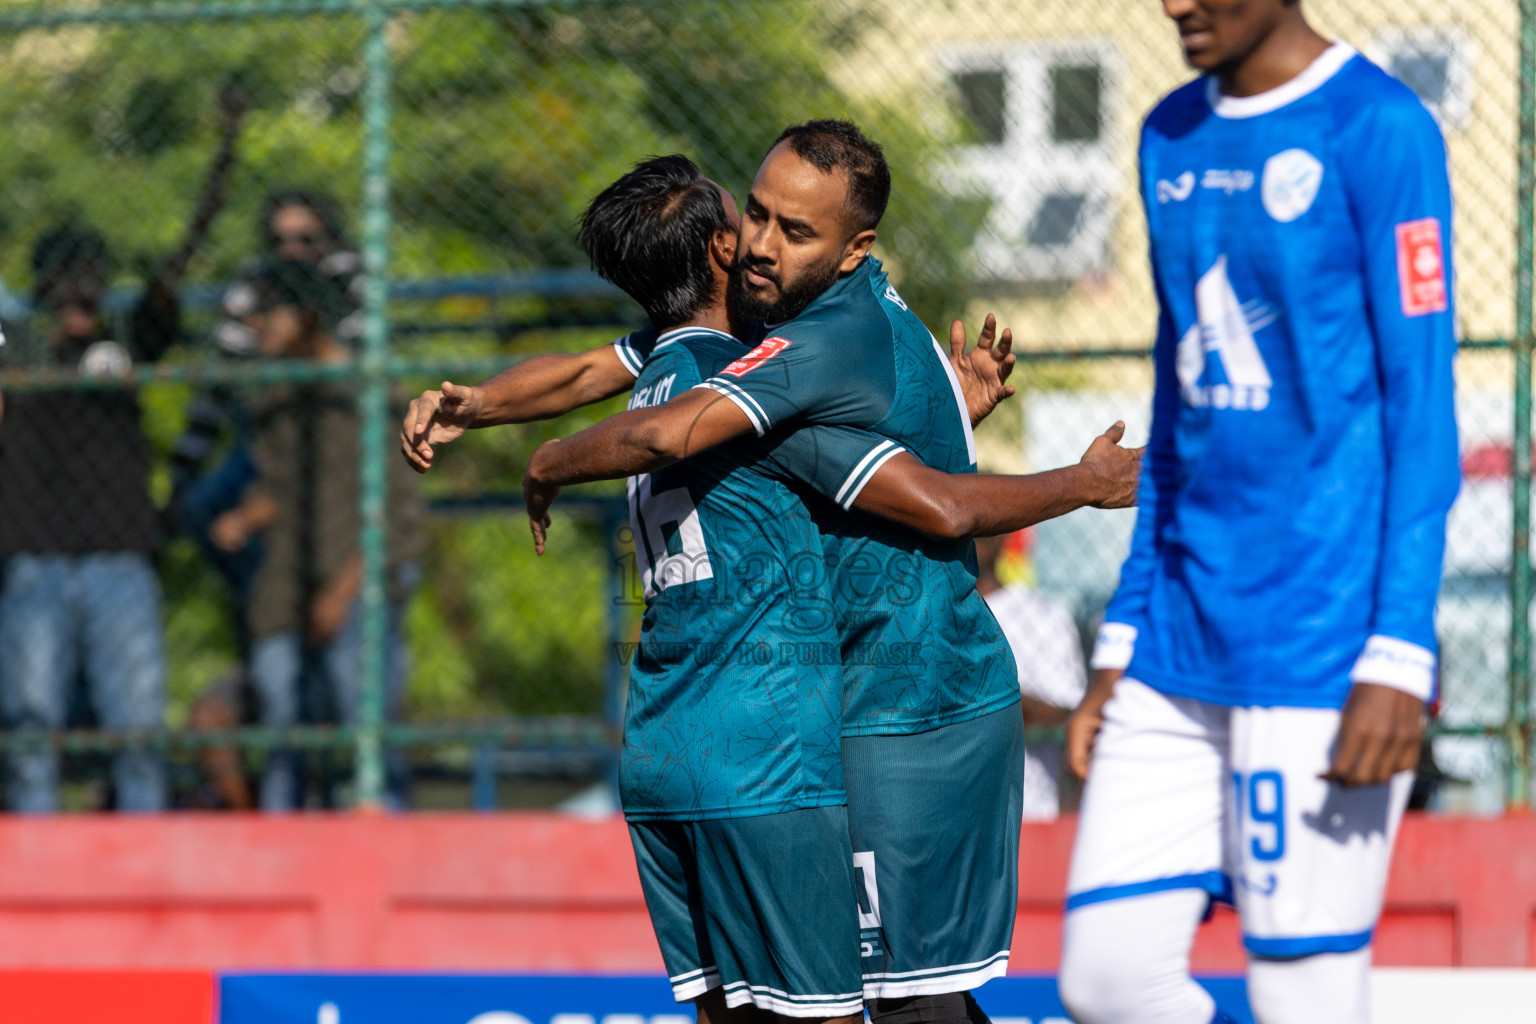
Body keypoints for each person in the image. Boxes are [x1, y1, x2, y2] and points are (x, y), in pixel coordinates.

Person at [520, 121, 1140, 1024]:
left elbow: (943, 507)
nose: (763, 247)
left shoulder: (803, 350)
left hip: (913, 703)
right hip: (821, 710)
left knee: (902, 1008)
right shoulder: (767, 336)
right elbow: (607, 365)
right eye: (759, 216)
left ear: (856, 250)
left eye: (795, 232)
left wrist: (1084, 483)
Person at [1055, 3, 1459, 1023]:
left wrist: (1400, 650)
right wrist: (1121, 633)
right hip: (1175, 648)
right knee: (1105, 982)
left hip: (1323, 647)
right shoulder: (1167, 133)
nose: (1176, 1)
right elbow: (1175, 406)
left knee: (1302, 996)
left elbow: (1423, 412)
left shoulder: (1380, 127)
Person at [0, 88, 245, 813]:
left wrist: (225, 152)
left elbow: (182, 257)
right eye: (65, 281)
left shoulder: (125, 340)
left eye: (91, 280)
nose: (80, 294)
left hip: (118, 558)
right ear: (42, 290)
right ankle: (35, 873)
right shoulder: (18, 344)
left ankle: (146, 867)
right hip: (33, 558)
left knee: (136, 728)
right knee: (30, 729)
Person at [213, 259, 422, 811]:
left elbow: (394, 515)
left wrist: (341, 592)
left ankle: (383, 849)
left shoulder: (368, 392)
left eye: (268, 316)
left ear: (304, 317)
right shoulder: (277, 397)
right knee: (281, 718)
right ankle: (284, 853)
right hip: (288, 584)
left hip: (361, 579)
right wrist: (246, 517)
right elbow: (276, 490)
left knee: (364, 726)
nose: (257, 329)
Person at [975, 531, 1086, 820]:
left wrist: (994, 693)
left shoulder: (1042, 614)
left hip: (1027, 809)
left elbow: (1070, 717)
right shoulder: (921, 616)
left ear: (998, 537)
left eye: (976, 530)